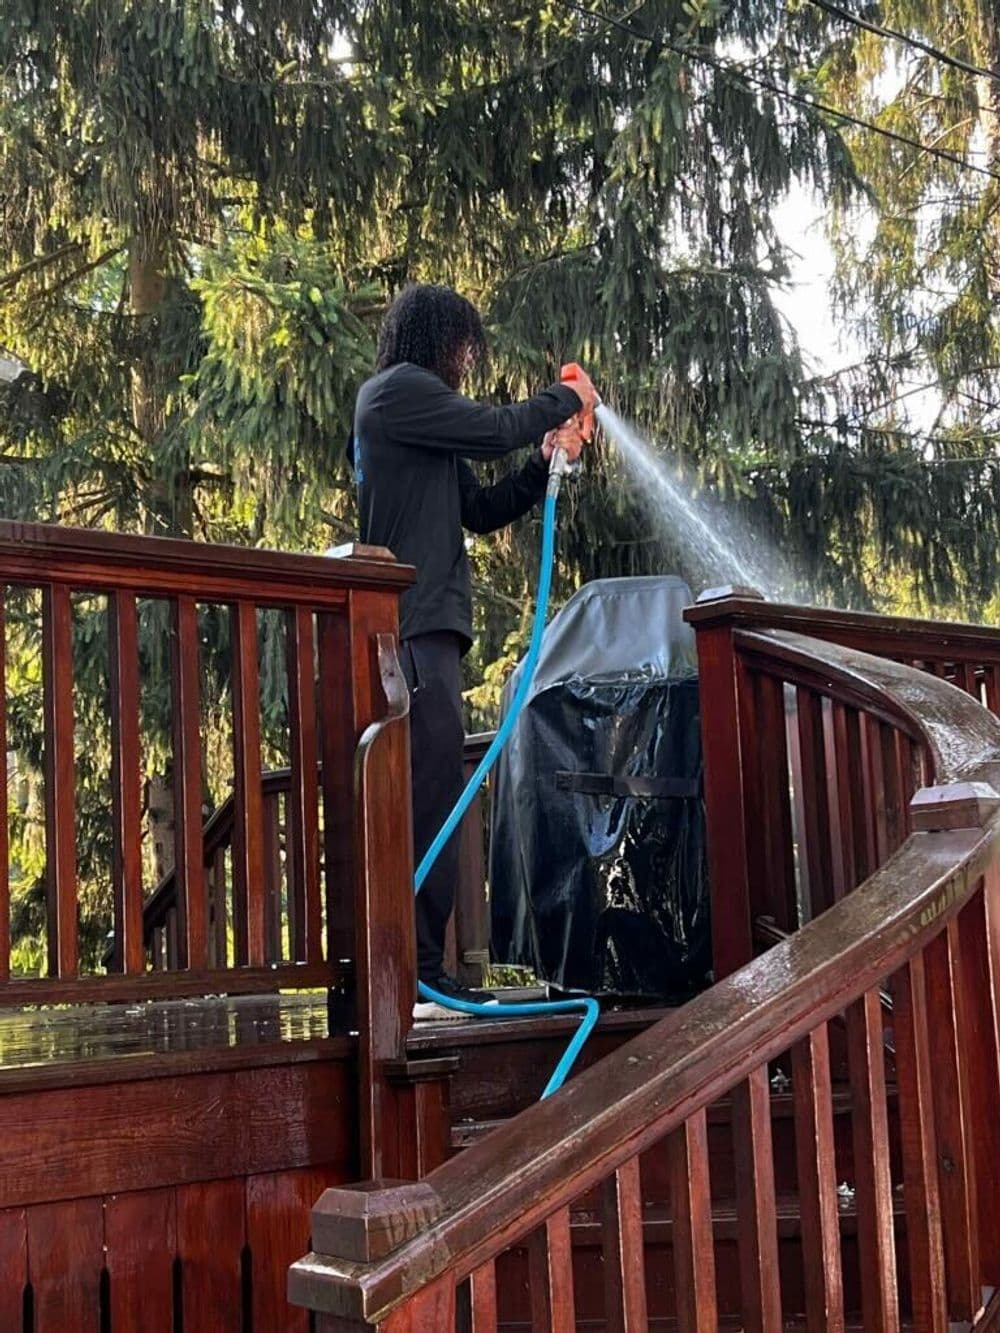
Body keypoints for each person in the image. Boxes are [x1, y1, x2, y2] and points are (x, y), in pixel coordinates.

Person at [349, 283, 598, 1020]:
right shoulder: (397, 393)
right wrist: (565, 399)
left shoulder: (409, 421)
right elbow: (494, 427)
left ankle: (422, 972)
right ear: (433, 341)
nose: (466, 358)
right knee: (427, 805)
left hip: (425, 633)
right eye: (460, 344)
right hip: (414, 633)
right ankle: (418, 976)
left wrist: (544, 460)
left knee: (434, 801)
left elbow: (481, 508)